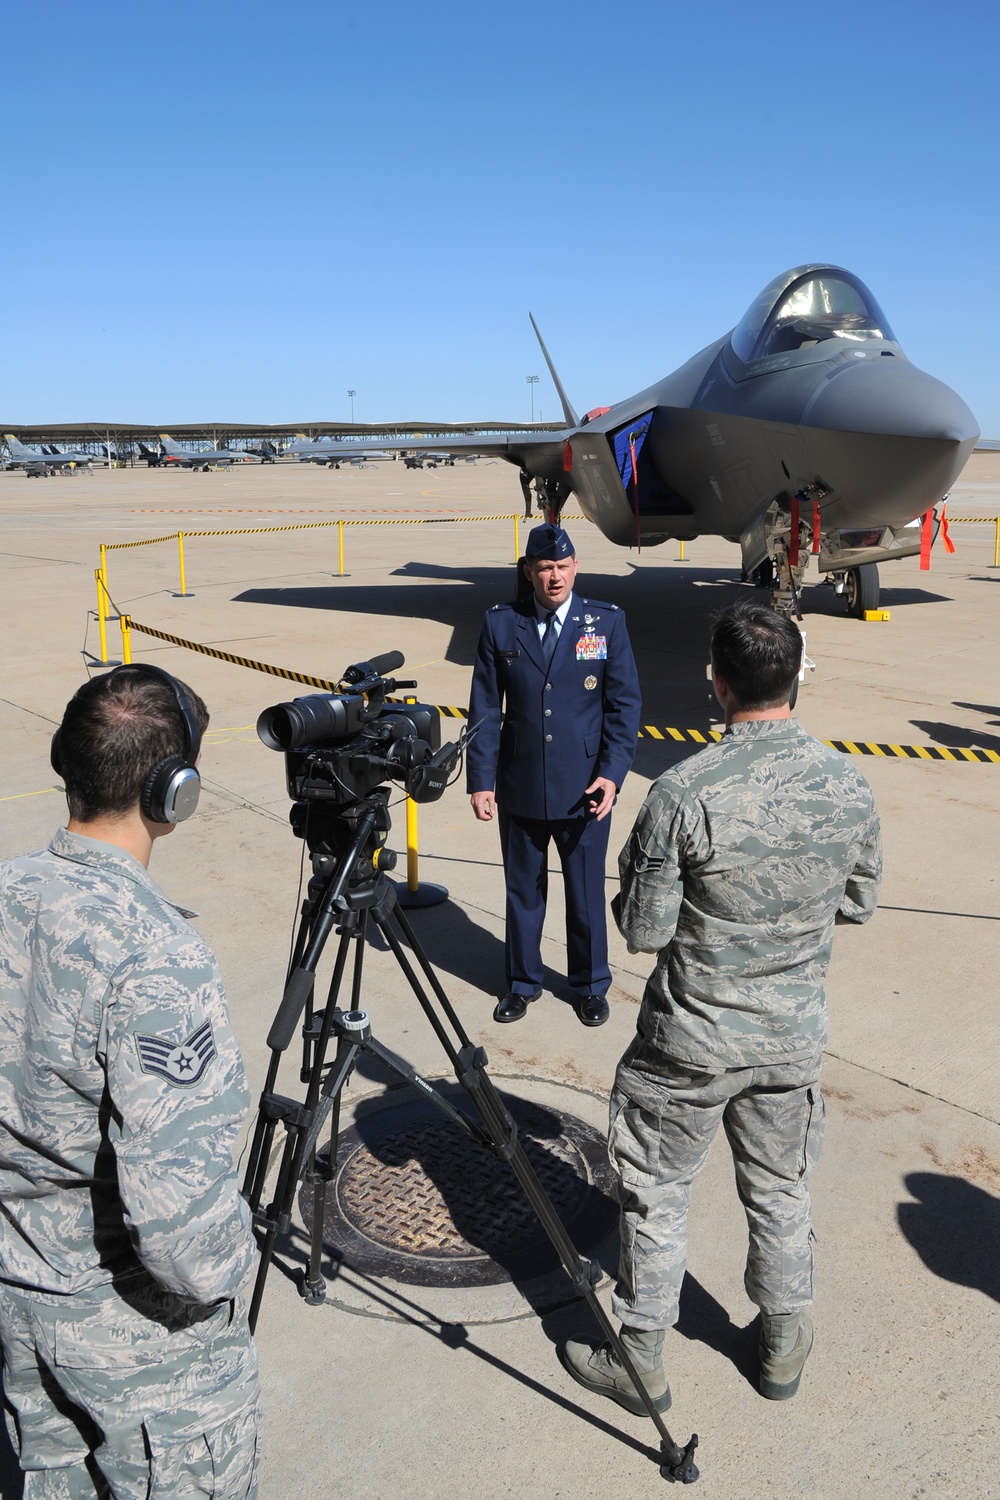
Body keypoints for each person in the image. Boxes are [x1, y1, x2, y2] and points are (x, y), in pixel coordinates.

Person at [562, 600, 881, 1413]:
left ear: (718, 683)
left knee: (658, 1194)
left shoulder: (682, 790)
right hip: (789, 1040)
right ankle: (781, 1344)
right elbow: (858, 903)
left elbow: (642, 928)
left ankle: (641, 1357)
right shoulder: (848, 783)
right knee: (779, 1191)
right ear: (794, 680)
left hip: (689, 1046)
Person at [0, 665, 261, 1498]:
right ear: (172, 793)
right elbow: (185, 1249)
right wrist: (236, 1265)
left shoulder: (7, 892)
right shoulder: (156, 959)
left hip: (18, 1304)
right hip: (136, 1352)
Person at [467, 522, 642, 1027]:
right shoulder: (501, 624)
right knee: (523, 892)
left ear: (576, 567)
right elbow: (484, 707)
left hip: (586, 789)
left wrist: (612, 775)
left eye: (563, 567)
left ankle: (589, 984)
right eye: (545, 568)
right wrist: (481, 779)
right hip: (519, 784)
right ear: (529, 572)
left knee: (585, 892)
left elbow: (623, 707)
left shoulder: (605, 623)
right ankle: (522, 983)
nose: (555, 577)